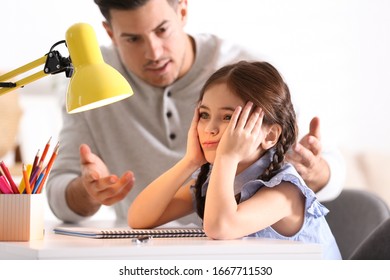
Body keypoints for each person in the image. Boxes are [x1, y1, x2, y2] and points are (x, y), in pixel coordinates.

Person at [47, 0, 345, 223]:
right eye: (133, 39)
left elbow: (331, 169)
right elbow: (134, 217)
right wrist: (88, 191)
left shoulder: (247, 72)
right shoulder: (93, 80)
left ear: (183, 11)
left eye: (162, 30)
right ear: (110, 33)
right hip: (145, 256)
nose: (154, 52)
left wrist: (316, 172)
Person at [128, 61, 341, 259]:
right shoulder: (215, 182)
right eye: (204, 115)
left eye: (228, 117)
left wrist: (227, 156)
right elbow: (139, 219)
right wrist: (190, 161)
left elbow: (221, 227)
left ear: (269, 136)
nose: (210, 128)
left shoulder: (286, 191)